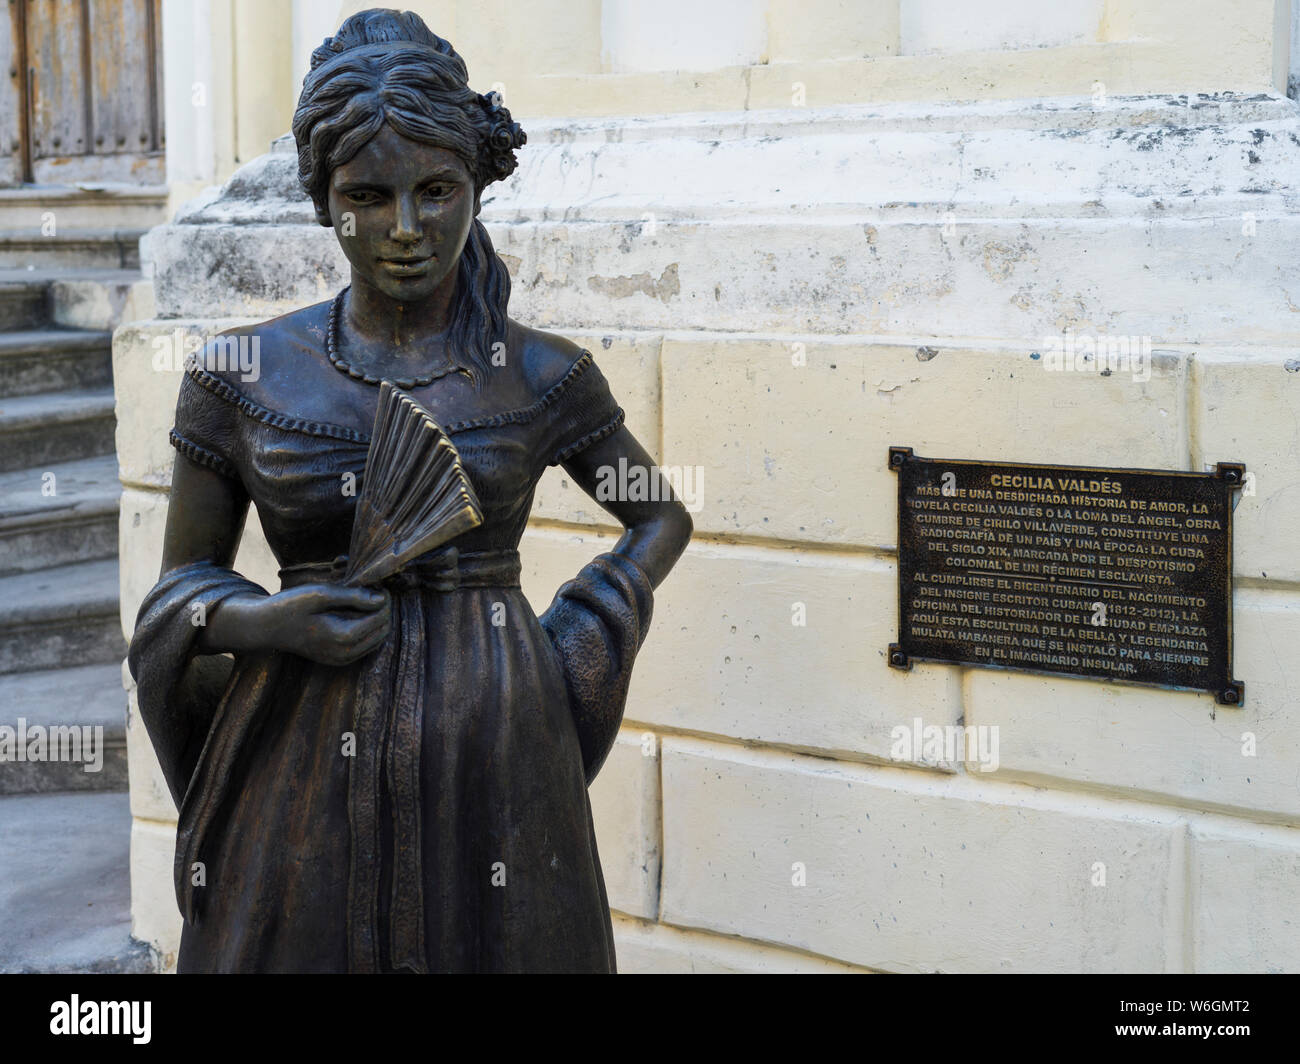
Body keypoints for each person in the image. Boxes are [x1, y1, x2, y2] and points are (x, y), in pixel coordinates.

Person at [128, 8, 692, 973]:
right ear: (322, 199)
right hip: (300, 755)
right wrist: (273, 622)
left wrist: (567, 649)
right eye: (367, 196)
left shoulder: (537, 374)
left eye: (437, 191)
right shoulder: (240, 372)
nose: (403, 230)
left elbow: (659, 514)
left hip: (496, 748)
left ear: (477, 187)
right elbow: (180, 593)